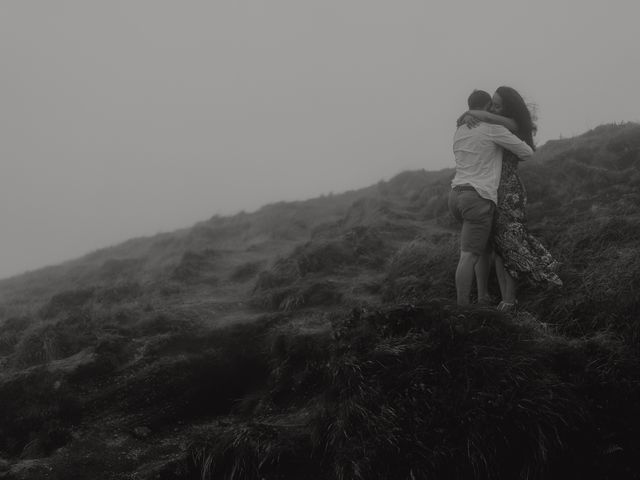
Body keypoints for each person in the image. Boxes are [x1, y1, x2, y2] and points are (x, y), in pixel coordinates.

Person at [460, 86, 562, 311]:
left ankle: (509, 299)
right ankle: (507, 296)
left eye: (497, 104)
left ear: (508, 106)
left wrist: (471, 114)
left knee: (508, 245)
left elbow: (485, 116)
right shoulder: (496, 125)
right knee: (500, 247)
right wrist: (469, 117)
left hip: (508, 191)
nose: (493, 108)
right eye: (492, 104)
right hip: (494, 190)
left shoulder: (511, 124)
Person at [449, 90, 534, 305]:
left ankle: (483, 296)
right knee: (470, 254)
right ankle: (463, 308)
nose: (494, 110)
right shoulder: (492, 129)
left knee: (483, 248)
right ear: (485, 107)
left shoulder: (460, 130)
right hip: (478, 196)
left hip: (455, 194)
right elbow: (526, 152)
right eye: (492, 106)